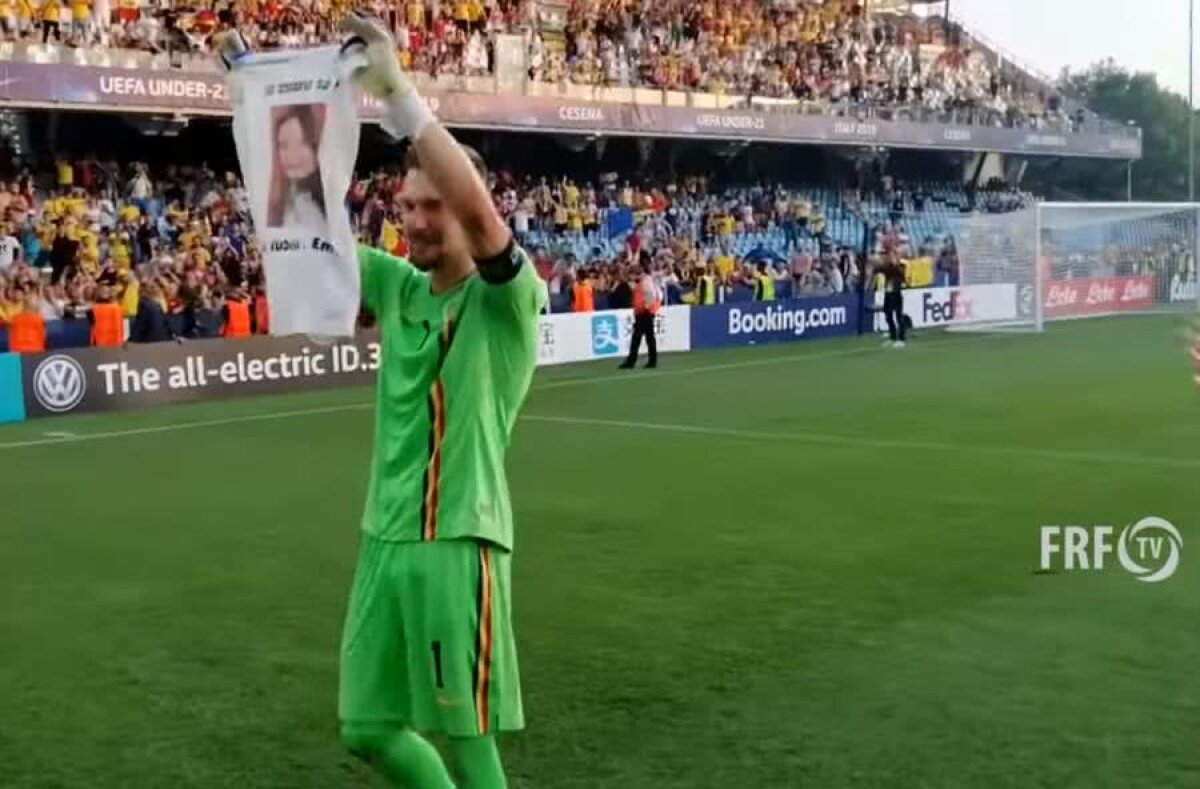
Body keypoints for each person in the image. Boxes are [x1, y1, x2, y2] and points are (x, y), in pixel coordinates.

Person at [222, 16, 546, 788]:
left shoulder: (507, 301)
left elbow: (487, 219)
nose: (414, 219)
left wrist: (399, 96)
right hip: (382, 536)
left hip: (455, 538)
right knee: (366, 727)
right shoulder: (399, 289)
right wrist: (257, 95)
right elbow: (299, 216)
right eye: (407, 205)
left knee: (468, 739)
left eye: (432, 206)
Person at [267, 104, 328, 228]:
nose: (293, 156)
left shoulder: (324, 205)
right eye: (283, 145)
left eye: (303, 143)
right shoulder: (284, 202)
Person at [620, 262, 659, 369]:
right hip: (644, 312)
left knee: (637, 338)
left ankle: (632, 361)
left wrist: (645, 308)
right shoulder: (643, 281)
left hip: (644, 313)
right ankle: (651, 360)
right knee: (648, 337)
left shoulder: (645, 281)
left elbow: (652, 296)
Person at [876, 254, 907, 348]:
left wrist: (894, 263)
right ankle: (892, 337)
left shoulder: (899, 269)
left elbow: (903, 279)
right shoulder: (887, 268)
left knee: (898, 316)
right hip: (888, 294)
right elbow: (878, 269)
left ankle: (901, 338)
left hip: (896, 294)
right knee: (888, 315)